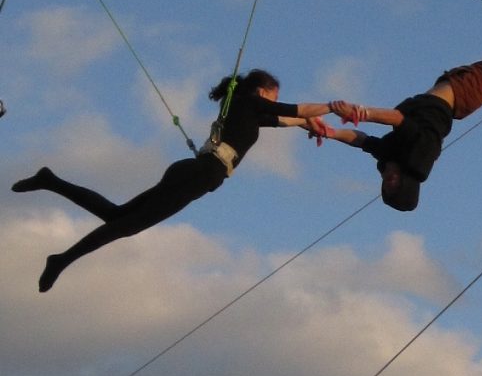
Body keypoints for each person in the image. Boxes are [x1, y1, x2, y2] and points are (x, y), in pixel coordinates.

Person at [11, 70, 330, 292]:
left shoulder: (244, 108)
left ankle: (50, 180)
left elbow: (284, 118)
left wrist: (308, 125)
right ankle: (61, 259)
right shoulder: (247, 101)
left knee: (117, 217)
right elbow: (294, 109)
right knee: (125, 226)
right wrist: (331, 107)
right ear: (263, 92)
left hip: (192, 173)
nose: (275, 101)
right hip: (199, 175)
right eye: (274, 95)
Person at [314, 41, 482, 212]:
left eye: (385, 184)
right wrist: (361, 111)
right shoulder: (416, 157)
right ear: (405, 183)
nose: (387, 178)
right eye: (393, 183)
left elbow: (361, 140)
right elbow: (398, 119)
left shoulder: (390, 156)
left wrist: (330, 132)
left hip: (455, 91)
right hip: (460, 94)